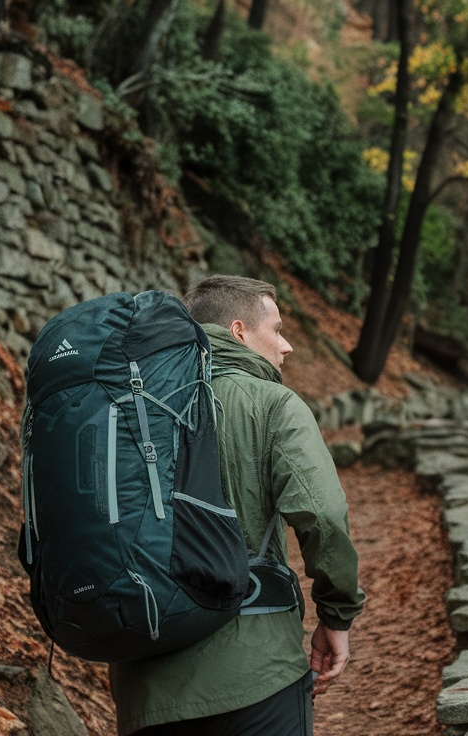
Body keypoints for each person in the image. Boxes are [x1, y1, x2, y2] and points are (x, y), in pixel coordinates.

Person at [109, 275, 366, 736]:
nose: (287, 346)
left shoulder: (128, 403)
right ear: (239, 331)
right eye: (277, 328)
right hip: (256, 672)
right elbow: (323, 515)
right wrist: (336, 614)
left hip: (143, 681)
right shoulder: (272, 404)